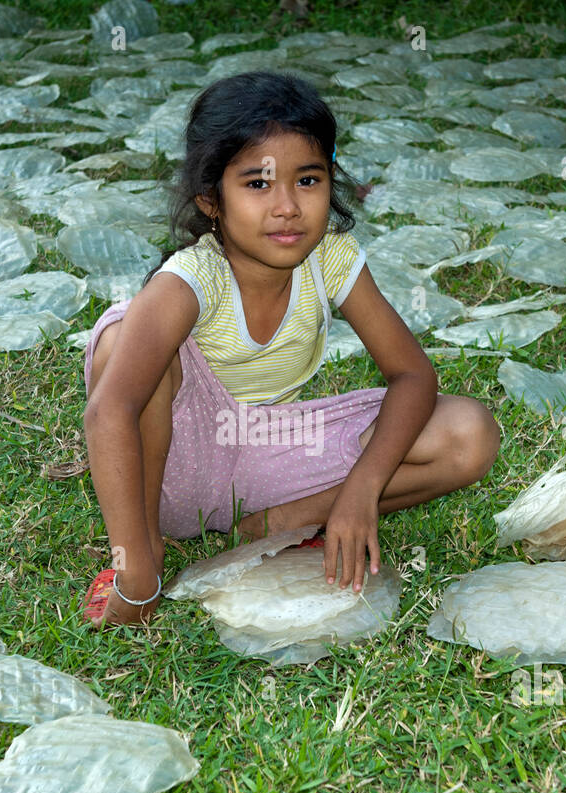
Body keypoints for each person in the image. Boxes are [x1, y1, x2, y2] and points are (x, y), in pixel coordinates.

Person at [81, 70, 502, 627]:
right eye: (258, 184)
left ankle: (283, 523)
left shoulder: (330, 255)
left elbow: (412, 376)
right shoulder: (193, 278)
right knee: (124, 336)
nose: (287, 207)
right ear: (211, 199)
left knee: (469, 434)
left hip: (271, 455)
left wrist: (360, 492)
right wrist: (135, 573)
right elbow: (109, 410)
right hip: (167, 471)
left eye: (307, 181)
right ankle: (147, 552)